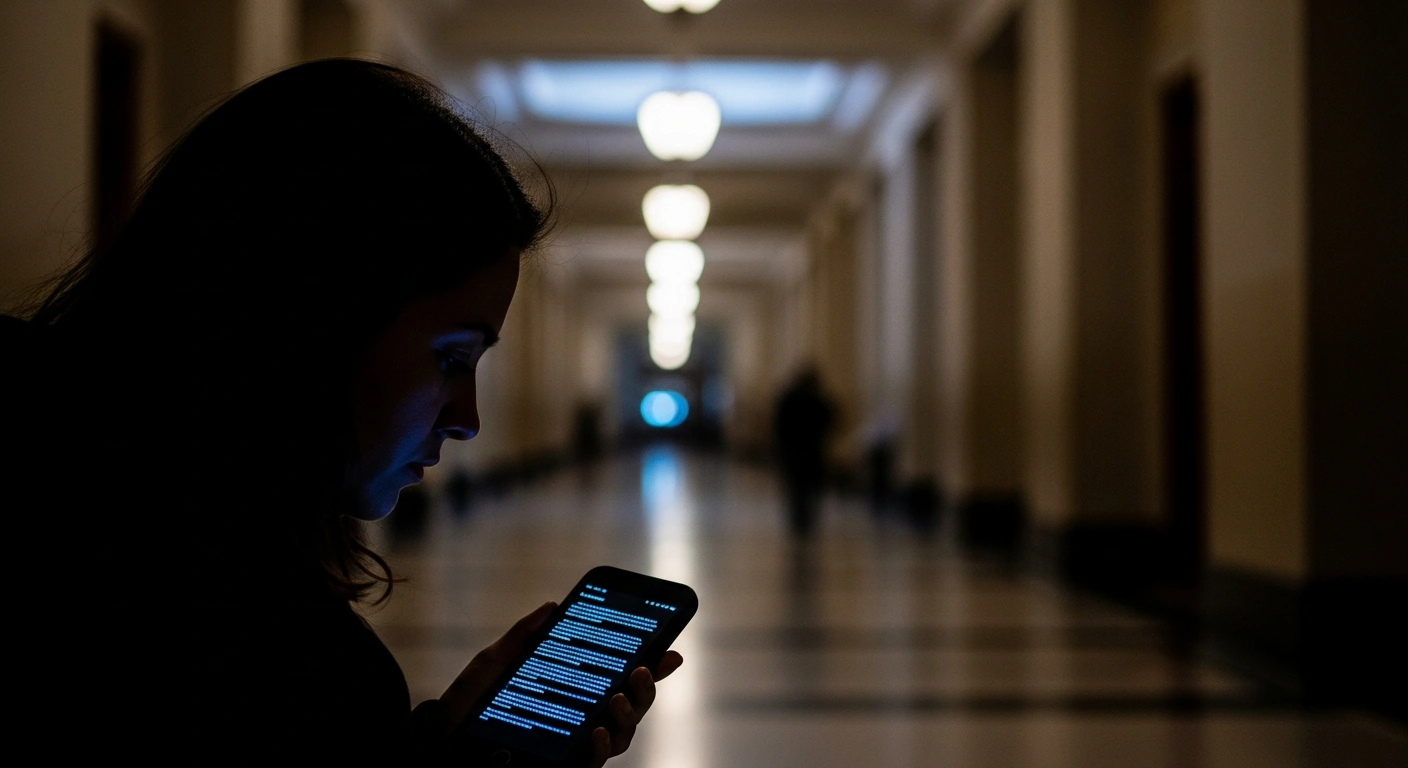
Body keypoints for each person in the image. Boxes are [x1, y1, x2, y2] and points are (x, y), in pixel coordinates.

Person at [0, 59, 680, 761]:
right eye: (451, 357)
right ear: (315, 319)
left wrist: (427, 743)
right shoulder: (275, 654)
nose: (468, 417)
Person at [773, 367, 836, 536]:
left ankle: (799, 519)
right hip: (811, 451)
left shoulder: (789, 399)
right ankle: (807, 520)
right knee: (809, 487)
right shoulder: (816, 399)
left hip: (793, 452)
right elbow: (831, 417)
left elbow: (779, 424)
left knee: (796, 488)